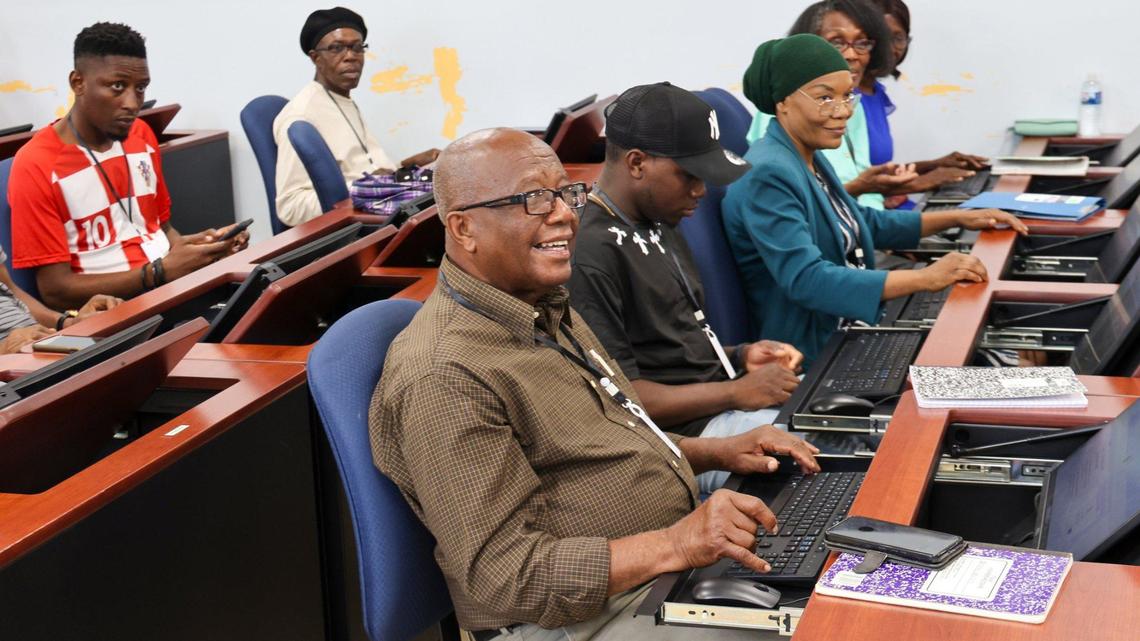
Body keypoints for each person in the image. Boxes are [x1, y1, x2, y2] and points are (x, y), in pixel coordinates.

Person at [369, 127, 819, 640]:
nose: (564, 213)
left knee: (835, 562)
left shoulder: (544, 306)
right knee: (824, 626)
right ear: (464, 228)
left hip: (650, 568)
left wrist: (717, 451)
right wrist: (675, 544)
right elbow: (506, 575)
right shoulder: (444, 375)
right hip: (568, 619)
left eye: (565, 193)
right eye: (533, 199)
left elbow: (608, 443)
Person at [567, 82, 817, 493]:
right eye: (690, 176)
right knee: (827, 467)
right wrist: (735, 392)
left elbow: (677, 341)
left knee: (862, 434)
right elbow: (621, 400)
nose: (701, 190)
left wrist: (742, 356)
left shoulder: (658, 217)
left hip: (720, 406)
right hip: (684, 442)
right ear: (636, 163)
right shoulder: (590, 255)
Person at [723, 34, 1027, 367]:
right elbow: (807, 280)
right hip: (812, 354)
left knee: (992, 346)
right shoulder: (768, 173)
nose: (842, 112)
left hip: (846, 329)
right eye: (825, 98)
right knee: (1000, 363)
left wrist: (959, 217)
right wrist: (926, 278)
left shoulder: (805, 154)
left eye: (846, 96)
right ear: (782, 101)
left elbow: (863, 222)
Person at [7, 22, 249, 311]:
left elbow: (160, 231)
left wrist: (201, 249)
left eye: (141, 88)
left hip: (169, 292)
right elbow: (56, 291)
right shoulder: (36, 163)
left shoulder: (142, 135)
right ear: (77, 83)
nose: (132, 103)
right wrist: (158, 272)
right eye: (117, 86)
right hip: (113, 316)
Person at [274, 6, 440, 227]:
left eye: (357, 47)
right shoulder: (301, 116)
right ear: (315, 58)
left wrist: (405, 166)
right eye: (337, 48)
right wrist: (361, 191)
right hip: (358, 229)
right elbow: (290, 206)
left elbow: (362, 169)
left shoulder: (343, 99)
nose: (350, 57)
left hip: (379, 212)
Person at [861, 0, 987, 208]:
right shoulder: (844, 99)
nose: (890, 48)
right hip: (874, 221)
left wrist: (934, 165)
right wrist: (925, 180)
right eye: (881, 38)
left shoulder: (874, 91)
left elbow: (874, 170)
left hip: (893, 212)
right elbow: (846, 183)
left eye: (898, 38)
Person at [0, 247, 120, 354]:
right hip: (9, 364)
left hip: (39, 343)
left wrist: (68, 323)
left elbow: (11, 292)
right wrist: (3, 349)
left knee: (119, 344)